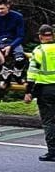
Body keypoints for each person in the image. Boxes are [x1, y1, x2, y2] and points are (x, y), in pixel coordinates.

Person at [24, 24, 55, 163]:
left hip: (46, 90)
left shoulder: (38, 51)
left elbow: (32, 74)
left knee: (49, 121)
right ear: (52, 35)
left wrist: (28, 92)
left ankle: (53, 151)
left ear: (40, 37)